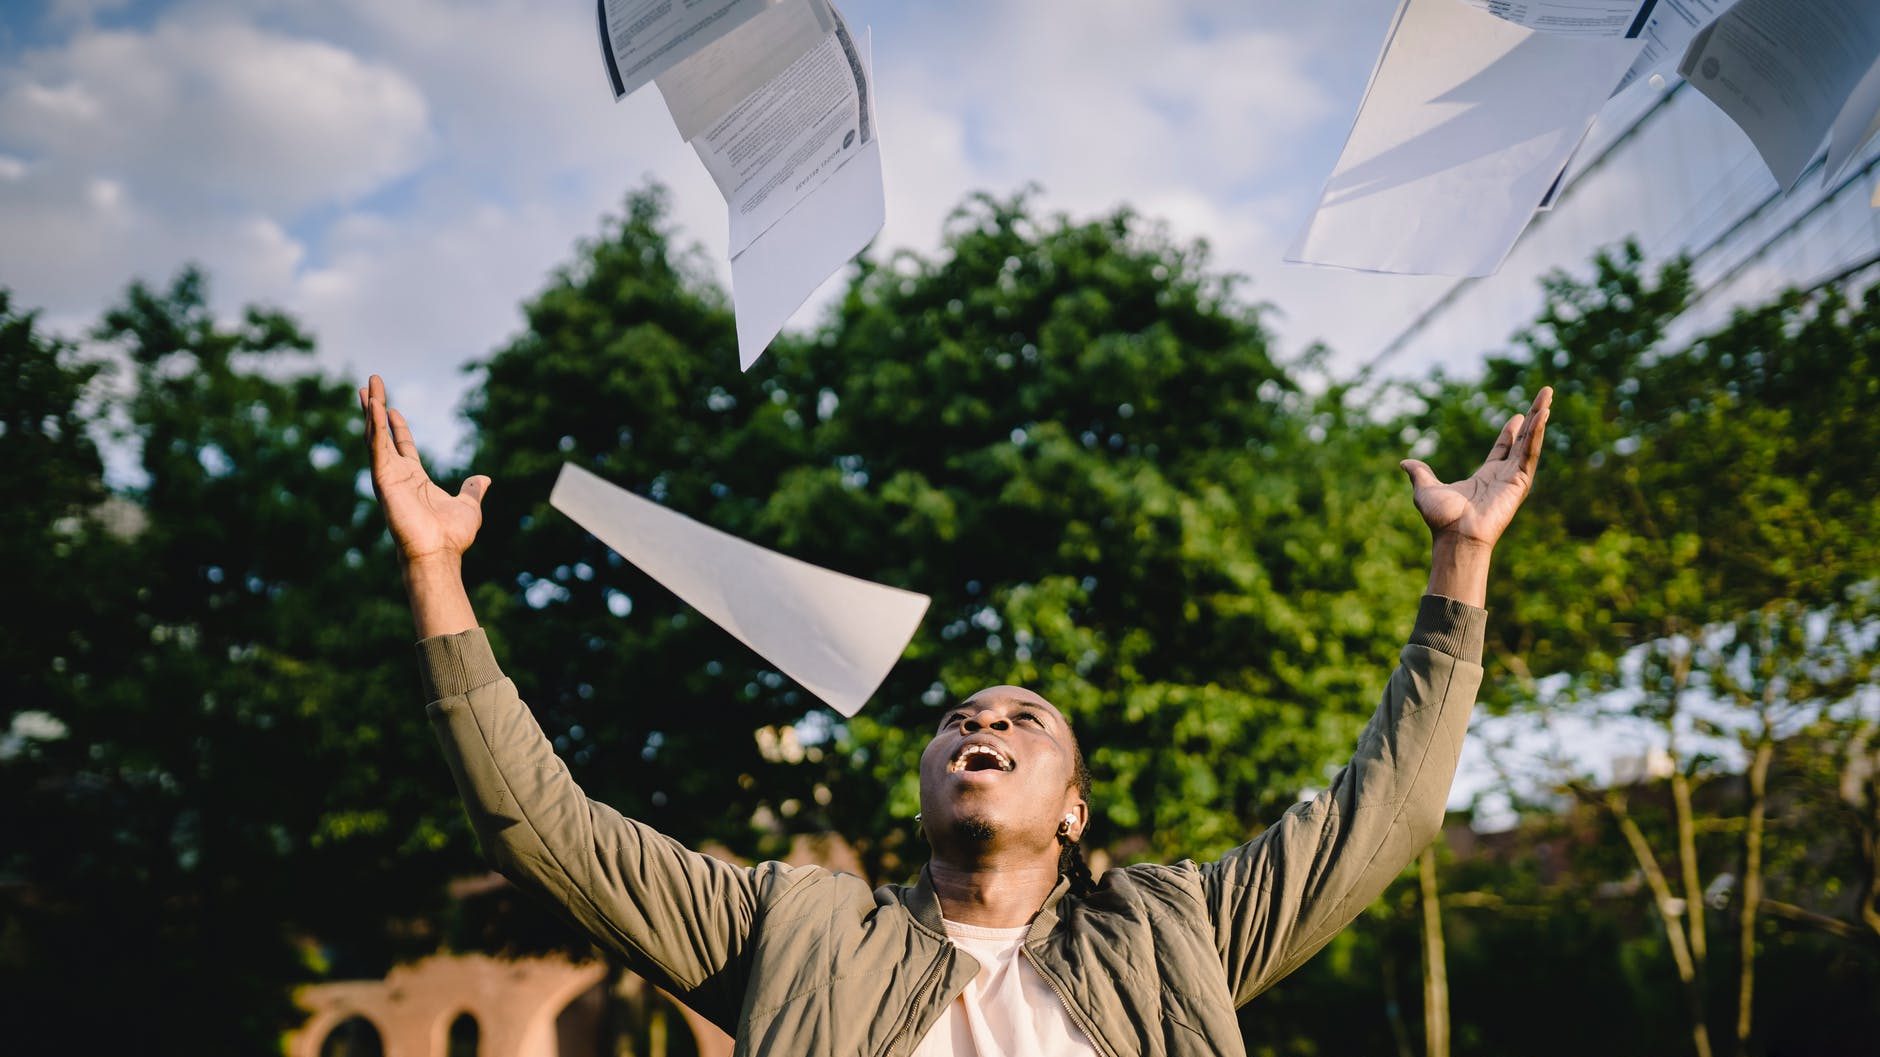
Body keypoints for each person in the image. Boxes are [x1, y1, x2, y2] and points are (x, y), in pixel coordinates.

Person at [360, 375, 1552, 1057]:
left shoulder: (1173, 929)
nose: (979, 723)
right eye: (955, 718)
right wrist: (435, 575)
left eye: (1022, 718)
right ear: (928, 781)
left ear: (1073, 808)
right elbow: (541, 828)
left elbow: (1381, 814)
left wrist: (1460, 562)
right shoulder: (796, 932)